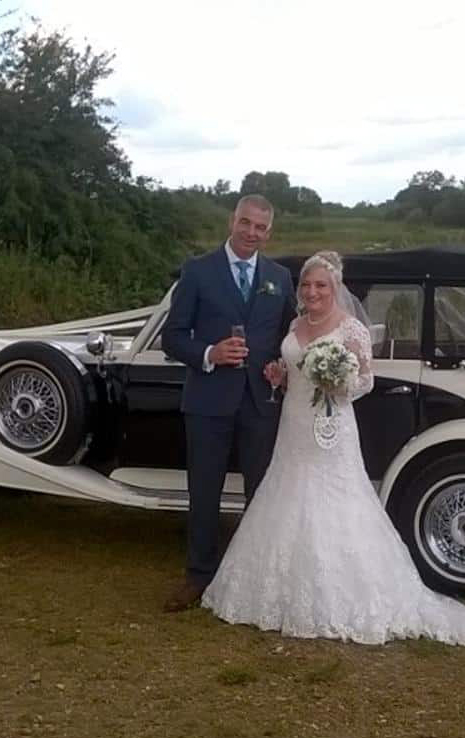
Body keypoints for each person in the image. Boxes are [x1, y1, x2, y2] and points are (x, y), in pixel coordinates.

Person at [200, 251, 465, 645]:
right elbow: (293, 375)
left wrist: (337, 383)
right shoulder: (295, 324)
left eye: (321, 285)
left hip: (332, 428)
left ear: (335, 288)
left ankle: (342, 595)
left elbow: (366, 382)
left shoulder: (352, 328)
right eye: (307, 285)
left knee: (336, 500)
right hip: (294, 425)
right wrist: (279, 375)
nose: (312, 292)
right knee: (287, 494)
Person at [160, 194, 298, 613]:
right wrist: (209, 354)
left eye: (260, 227)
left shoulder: (280, 277)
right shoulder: (198, 271)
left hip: (260, 401)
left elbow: (287, 335)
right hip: (208, 401)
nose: (251, 233)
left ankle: (256, 580)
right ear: (232, 221)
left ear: (269, 232)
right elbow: (173, 337)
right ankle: (198, 577)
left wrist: (280, 365)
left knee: (262, 492)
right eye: (246, 223)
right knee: (204, 492)